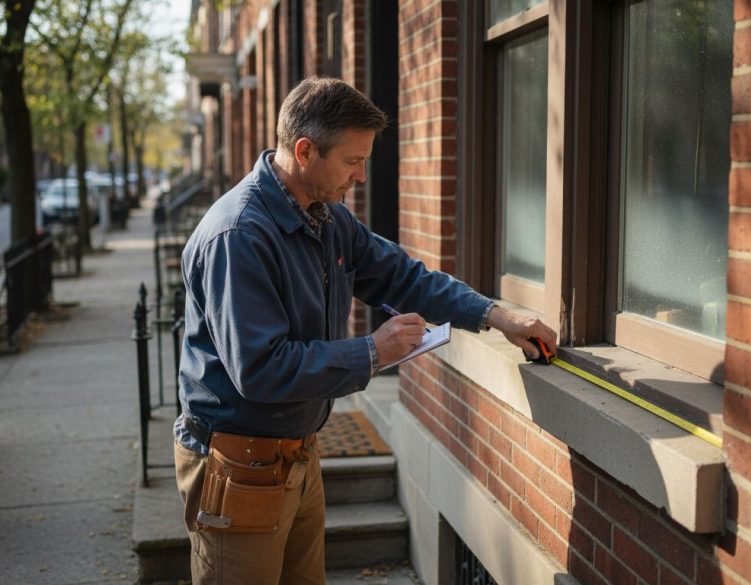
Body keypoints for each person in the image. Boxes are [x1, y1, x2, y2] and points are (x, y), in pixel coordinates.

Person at [173, 77, 557, 585]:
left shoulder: (327, 217)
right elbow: (260, 369)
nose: (360, 176)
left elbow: (402, 276)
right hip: (237, 468)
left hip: (297, 456)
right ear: (305, 151)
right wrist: (371, 352)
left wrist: (496, 316)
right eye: (352, 161)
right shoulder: (239, 236)